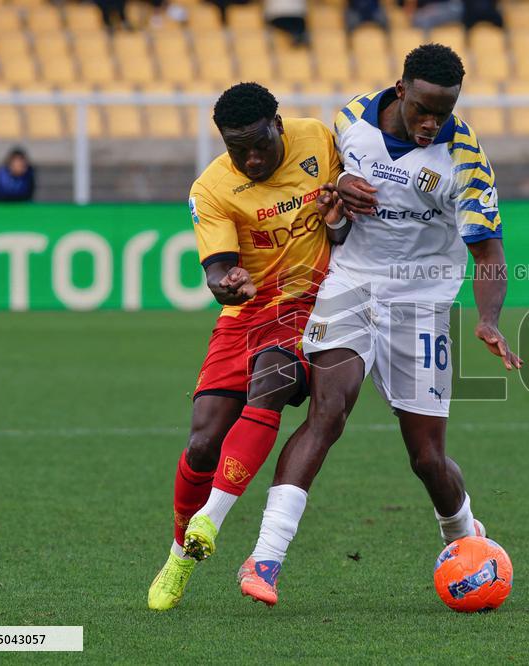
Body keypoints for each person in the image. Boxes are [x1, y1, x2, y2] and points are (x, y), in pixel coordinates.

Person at [235, 43, 523, 607]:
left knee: (426, 457)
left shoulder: (465, 160)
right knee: (329, 411)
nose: (431, 123)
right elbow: (323, 189)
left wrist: (488, 320)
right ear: (401, 89)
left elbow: (489, 252)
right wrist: (337, 193)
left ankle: (464, 537)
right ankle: (265, 558)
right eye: (422, 109)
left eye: (444, 111)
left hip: (421, 301)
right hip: (352, 283)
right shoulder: (351, 119)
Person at [147, 82, 345, 611]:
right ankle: (180, 553)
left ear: (278, 125)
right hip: (246, 314)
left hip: (308, 306)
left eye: (260, 145)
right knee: (202, 443)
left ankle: (210, 519)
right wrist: (225, 281)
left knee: (271, 381)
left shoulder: (320, 142)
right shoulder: (211, 188)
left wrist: (339, 219)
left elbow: (348, 222)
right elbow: (215, 269)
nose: (252, 159)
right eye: (239, 150)